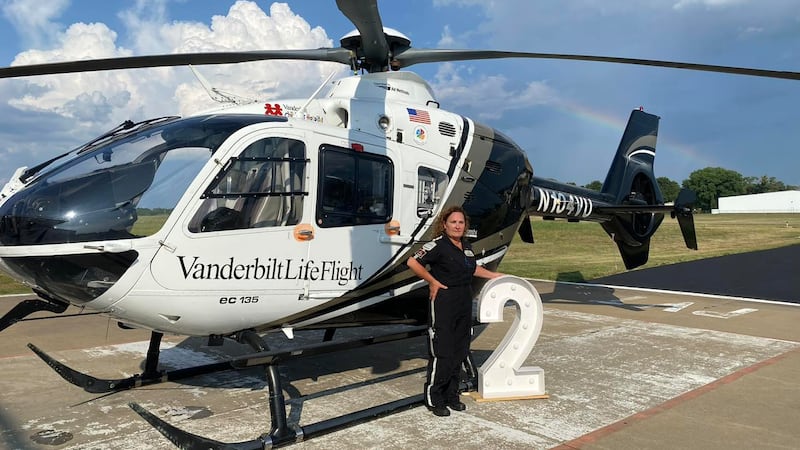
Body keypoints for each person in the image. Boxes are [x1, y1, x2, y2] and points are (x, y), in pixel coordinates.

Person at [406, 205, 502, 417]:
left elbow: (472, 268)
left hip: (464, 300)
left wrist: (495, 276)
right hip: (444, 300)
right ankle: (434, 397)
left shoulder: (466, 246)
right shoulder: (438, 245)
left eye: (461, 222)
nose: (457, 226)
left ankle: (452, 395)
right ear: (444, 224)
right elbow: (412, 262)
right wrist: (432, 281)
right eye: (453, 222)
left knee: (460, 349)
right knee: (443, 350)